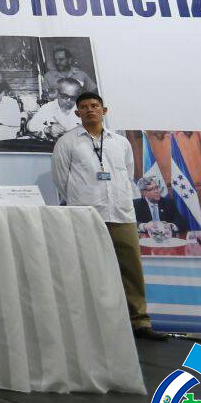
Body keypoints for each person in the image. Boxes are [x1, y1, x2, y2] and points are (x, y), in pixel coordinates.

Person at [52, 92, 166, 340]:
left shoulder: (120, 142)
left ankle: (139, 321)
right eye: (84, 107)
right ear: (77, 113)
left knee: (131, 269)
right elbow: (61, 180)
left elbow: (127, 174)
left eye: (95, 106)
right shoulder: (67, 142)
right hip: (87, 215)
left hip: (121, 213)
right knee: (90, 269)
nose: (90, 110)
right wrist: (81, 199)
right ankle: (94, 324)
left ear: (104, 111)